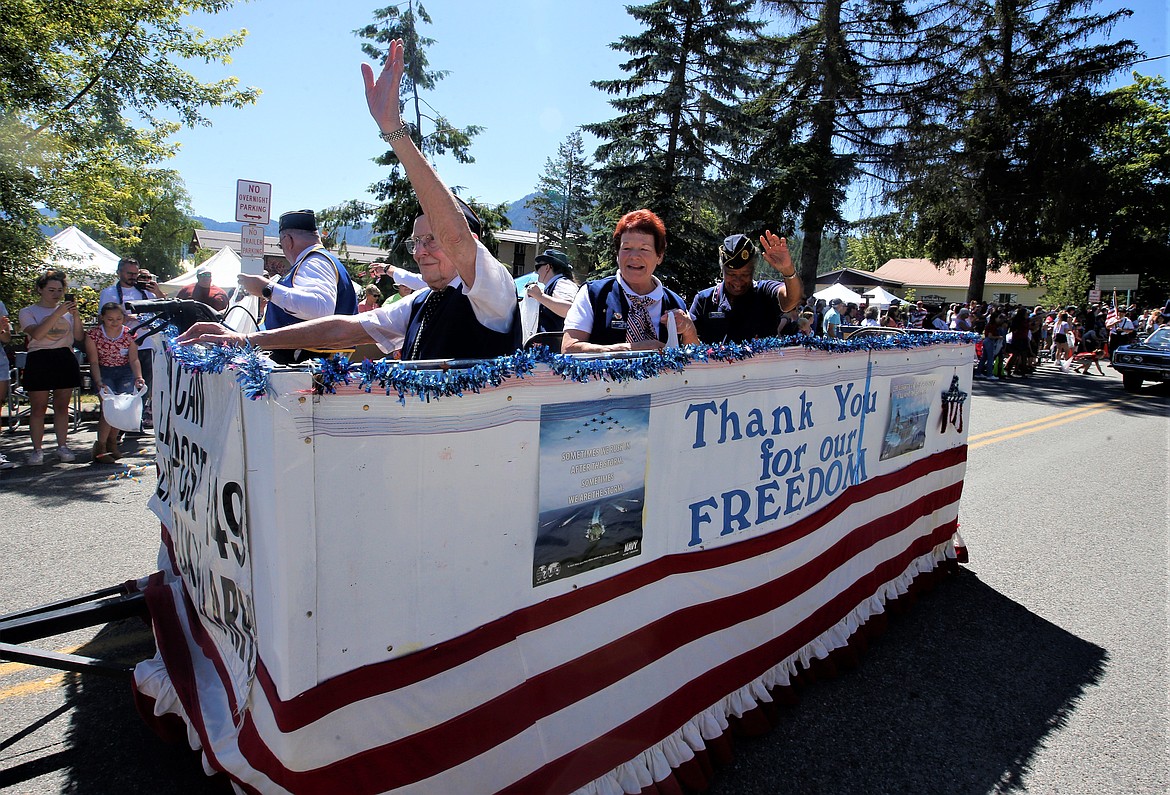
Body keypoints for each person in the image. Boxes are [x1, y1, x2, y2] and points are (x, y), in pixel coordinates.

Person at [179, 39, 520, 362]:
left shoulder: (493, 287)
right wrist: (245, 339)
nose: (419, 251)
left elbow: (456, 237)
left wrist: (394, 131)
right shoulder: (422, 301)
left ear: (469, 242)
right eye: (416, 241)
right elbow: (344, 329)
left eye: (432, 240)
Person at [561, 209, 699, 353]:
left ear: (659, 256)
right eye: (626, 248)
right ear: (617, 254)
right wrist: (626, 350)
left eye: (644, 249)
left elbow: (696, 359)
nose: (634, 256)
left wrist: (688, 330)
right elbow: (569, 348)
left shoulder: (675, 302)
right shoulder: (593, 294)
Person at [233, 209, 359, 364]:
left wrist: (266, 289)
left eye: (281, 245)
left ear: (287, 240)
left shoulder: (314, 262)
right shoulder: (316, 261)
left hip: (305, 364)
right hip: (308, 361)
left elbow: (320, 307)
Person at [688, 233, 802, 344]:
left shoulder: (764, 292)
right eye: (731, 274)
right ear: (722, 271)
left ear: (753, 271)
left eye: (745, 274)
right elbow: (691, 345)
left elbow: (791, 301)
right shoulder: (704, 301)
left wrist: (788, 270)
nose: (738, 281)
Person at [19, 271, 84, 465]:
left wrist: (75, 315)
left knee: (62, 406)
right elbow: (37, 334)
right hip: (39, 358)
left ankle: (62, 446)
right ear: (40, 290)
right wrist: (57, 313)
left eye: (59, 290)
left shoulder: (67, 312)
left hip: (64, 356)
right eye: (51, 290)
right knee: (38, 407)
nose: (56, 294)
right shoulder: (28, 311)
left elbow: (79, 337)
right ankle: (37, 449)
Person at [99, 257, 164, 425]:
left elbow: (163, 308)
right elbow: (102, 318)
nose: (133, 277)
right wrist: (125, 318)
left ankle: (136, 421)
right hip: (121, 346)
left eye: (136, 273)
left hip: (146, 343)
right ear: (119, 272)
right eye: (129, 273)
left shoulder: (145, 291)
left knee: (143, 385)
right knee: (123, 387)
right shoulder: (109, 293)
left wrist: (157, 292)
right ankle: (119, 425)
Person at [85, 302, 146, 463]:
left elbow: (133, 359)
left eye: (119, 318)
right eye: (110, 319)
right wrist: (98, 381)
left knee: (121, 410)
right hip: (104, 371)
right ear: (102, 318)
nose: (115, 322)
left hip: (124, 371)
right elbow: (93, 361)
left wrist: (138, 377)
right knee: (108, 409)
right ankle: (101, 447)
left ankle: (113, 443)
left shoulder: (129, 333)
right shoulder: (93, 335)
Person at [523, 249, 579, 339]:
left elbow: (571, 311)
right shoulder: (559, 283)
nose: (536, 271)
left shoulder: (562, 283)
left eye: (538, 267)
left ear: (547, 267)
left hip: (556, 348)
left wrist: (539, 296)